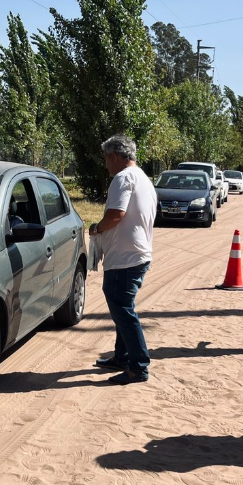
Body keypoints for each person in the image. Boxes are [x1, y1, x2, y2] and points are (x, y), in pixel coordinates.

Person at [89, 135, 158, 384]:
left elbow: (116, 214)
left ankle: (138, 366)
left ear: (115, 156)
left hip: (125, 258)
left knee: (123, 311)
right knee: (122, 309)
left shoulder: (123, 178)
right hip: (136, 255)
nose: (106, 165)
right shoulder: (142, 177)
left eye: (106, 159)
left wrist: (97, 228)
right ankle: (122, 356)